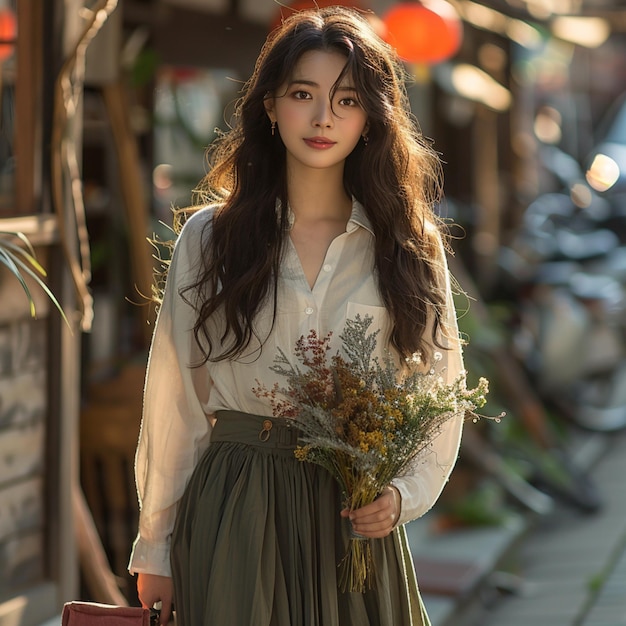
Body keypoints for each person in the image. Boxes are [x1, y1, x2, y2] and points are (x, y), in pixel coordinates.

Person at [128, 6, 465, 626]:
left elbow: (440, 393)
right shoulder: (210, 239)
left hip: (353, 513)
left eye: (346, 100)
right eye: (302, 94)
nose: (322, 118)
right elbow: (173, 401)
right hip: (236, 503)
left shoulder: (406, 242)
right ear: (269, 106)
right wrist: (157, 548)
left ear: (371, 117)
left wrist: (401, 496)